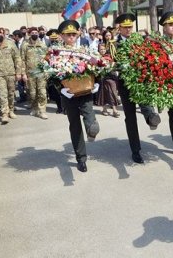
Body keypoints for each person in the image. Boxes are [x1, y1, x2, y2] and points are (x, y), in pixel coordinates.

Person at [113, 13, 163, 164]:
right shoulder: (114, 45)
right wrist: (118, 68)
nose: (128, 30)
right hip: (125, 84)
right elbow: (110, 63)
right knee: (131, 117)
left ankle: (151, 118)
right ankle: (135, 150)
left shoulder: (140, 40)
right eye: (125, 27)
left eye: (130, 27)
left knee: (146, 103)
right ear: (119, 28)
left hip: (141, 82)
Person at [57, 20, 100, 173]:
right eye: (68, 35)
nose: (71, 37)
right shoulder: (56, 52)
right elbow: (51, 75)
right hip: (68, 95)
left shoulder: (84, 50)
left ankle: (92, 130)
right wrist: (60, 89)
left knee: (90, 118)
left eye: (74, 34)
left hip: (85, 92)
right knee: (75, 126)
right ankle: (81, 158)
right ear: (62, 36)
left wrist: (97, 83)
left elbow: (96, 67)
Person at [0, 28, 22, 124]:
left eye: (1, 34)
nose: (0, 36)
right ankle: (4, 114)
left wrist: (18, 72)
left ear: (4, 35)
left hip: (11, 74)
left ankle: (11, 110)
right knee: (3, 95)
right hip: (0, 75)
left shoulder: (10, 44)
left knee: (11, 94)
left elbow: (17, 58)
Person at [20, 26, 49, 119]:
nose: (35, 34)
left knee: (42, 92)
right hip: (30, 74)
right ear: (29, 34)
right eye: (32, 33)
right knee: (32, 93)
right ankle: (34, 108)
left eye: (36, 33)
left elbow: (47, 59)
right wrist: (23, 73)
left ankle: (42, 110)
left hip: (41, 73)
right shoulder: (25, 45)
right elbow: (22, 60)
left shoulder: (43, 45)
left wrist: (47, 71)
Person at [97, 42, 120, 117]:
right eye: (101, 49)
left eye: (104, 49)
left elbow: (113, 65)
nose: (102, 50)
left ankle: (114, 110)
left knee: (113, 92)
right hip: (102, 78)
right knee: (102, 93)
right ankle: (104, 109)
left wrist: (111, 66)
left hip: (111, 77)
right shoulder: (96, 57)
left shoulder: (109, 56)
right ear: (98, 50)